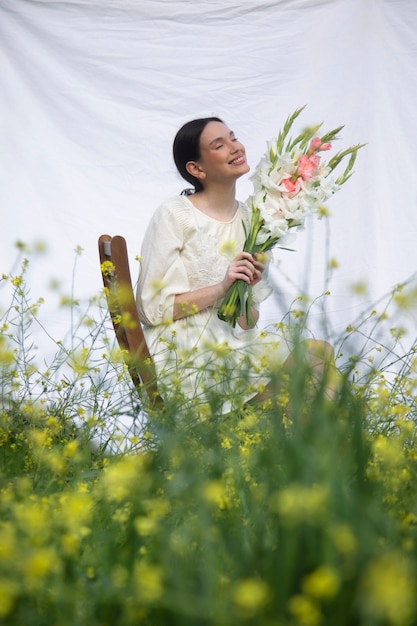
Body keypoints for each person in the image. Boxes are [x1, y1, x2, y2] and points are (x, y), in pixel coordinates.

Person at [136, 117, 335, 413]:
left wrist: (246, 287)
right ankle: (338, 450)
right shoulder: (174, 214)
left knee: (319, 356)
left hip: (231, 342)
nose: (235, 147)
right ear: (197, 169)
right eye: (219, 145)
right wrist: (221, 288)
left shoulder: (251, 219)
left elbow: (248, 321)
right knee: (308, 386)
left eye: (233, 137)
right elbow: (150, 310)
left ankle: (315, 449)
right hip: (186, 352)